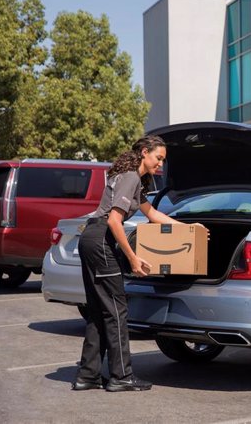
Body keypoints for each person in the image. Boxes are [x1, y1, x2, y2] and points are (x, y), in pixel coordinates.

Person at [71, 135, 178, 392]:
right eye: (158, 158)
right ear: (144, 152)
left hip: (91, 239)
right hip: (101, 241)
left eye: (163, 160)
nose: (160, 165)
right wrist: (132, 257)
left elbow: (152, 214)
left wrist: (188, 228)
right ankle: (122, 376)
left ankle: (88, 375)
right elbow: (114, 221)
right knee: (117, 311)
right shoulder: (130, 177)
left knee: (98, 310)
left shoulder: (134, 181)